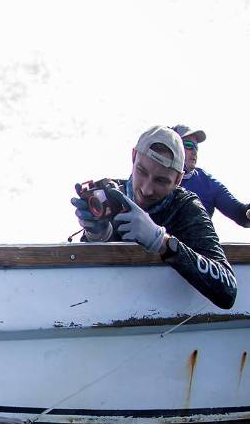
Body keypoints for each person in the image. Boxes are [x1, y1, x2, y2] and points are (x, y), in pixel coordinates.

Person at [71, 125, 237, 309]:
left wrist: (162, 242)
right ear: (133, 156)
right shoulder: (111, 196)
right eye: (142, 171)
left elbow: (228, 290)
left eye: (161, 180)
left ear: (178, 180)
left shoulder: (186, 208)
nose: (146, 189)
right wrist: (97, 236)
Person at [170, 125, 250, 229]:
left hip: (196, 244)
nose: (195, 152)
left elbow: (241, 214)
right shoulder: (152, 178)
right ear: (172, 147)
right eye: (189, 145)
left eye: (196, 147)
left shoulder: (208, 183)